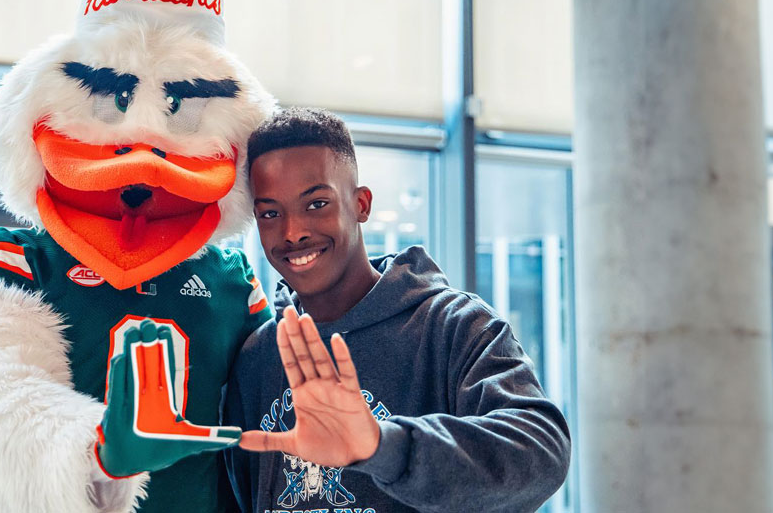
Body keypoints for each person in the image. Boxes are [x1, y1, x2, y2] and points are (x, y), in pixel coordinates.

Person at [223, 107, 571, 512]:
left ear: (361, 205)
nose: (292, 231)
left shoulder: (454, 326)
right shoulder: (259, 356)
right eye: (270, 213)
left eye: (316, 203)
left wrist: (380, 445)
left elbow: (541, 451)